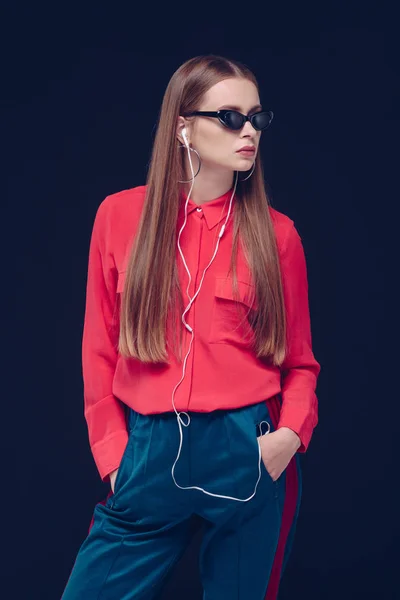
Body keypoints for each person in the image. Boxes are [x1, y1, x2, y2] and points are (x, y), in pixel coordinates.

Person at [61, 54, 321, 600]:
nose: (248, 130)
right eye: (230, 116)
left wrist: (288, 437)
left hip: (248, 448)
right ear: (183, 126)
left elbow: (299, 361)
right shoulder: (118, 217)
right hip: (149, 449)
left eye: (257, 117)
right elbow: (98, 349)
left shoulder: (279, 236)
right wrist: (114, 457)